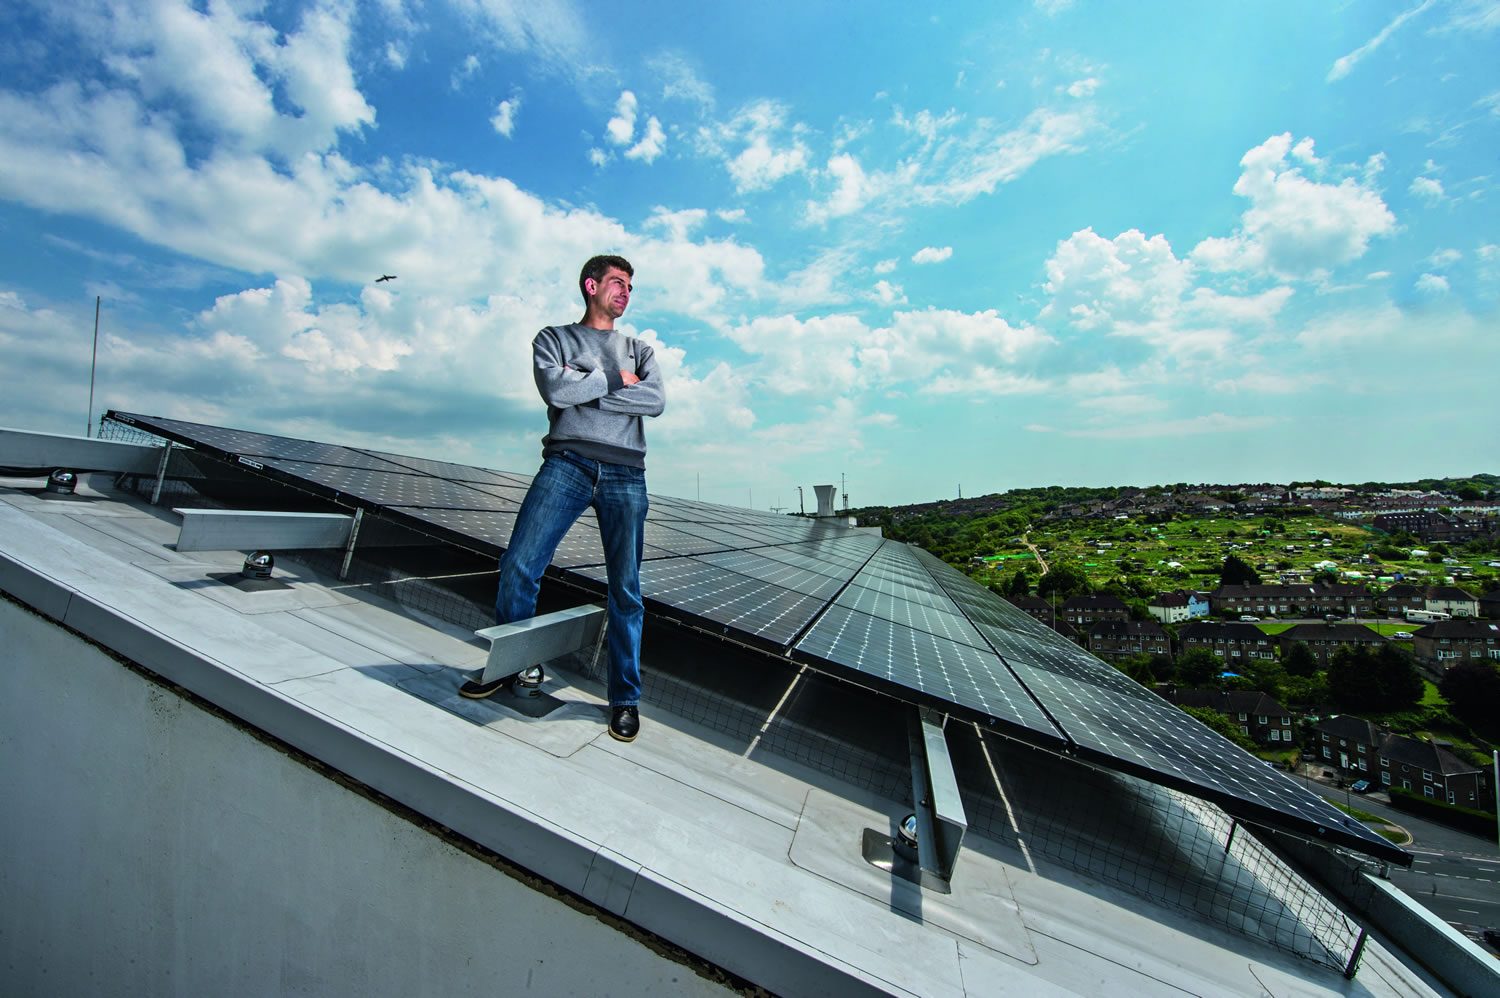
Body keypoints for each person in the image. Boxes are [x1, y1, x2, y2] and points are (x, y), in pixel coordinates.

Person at [462, 255, 665, 744]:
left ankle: (624, 700)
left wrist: (585, 387)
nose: (626, 293)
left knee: (626, 590)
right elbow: (555, 389)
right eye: (618, 283)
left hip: (626, 474)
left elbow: (655, 401)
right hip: (567, 465)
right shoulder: (553, 339)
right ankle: (512, 669)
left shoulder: (640, 349)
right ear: (591, 285)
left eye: (631, 287)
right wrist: (618, 381)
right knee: (520, 565)